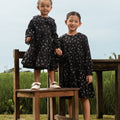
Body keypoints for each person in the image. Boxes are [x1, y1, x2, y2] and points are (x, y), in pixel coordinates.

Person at [56, 11, 95, 120]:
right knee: (71, 98)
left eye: (75, 21)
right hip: (68, 73)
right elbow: (61, 59)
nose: (73, 23)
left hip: (82, 72)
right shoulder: (61, 39)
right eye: (70, 21)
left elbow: (88, 55)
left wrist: (89, 73)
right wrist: (59, 54)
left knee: (84, 97)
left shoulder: (83, 38)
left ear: (80, 24)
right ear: (66, 22)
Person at [21, 0, 62, 89]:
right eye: (42, 6)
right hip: (38, 45)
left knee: (51, 65)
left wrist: (57, 47)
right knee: (37, 64)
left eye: (47, 6)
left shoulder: (52, 21)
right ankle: (36, 82)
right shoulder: (35, 20)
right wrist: (28, 36)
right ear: (38, 7)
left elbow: (54, 35)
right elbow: (30, 29)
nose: (45, 8)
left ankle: (52, 82)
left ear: (51, 8)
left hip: (49, 46)